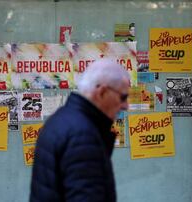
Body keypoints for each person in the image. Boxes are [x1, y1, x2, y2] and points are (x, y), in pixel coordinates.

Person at [30, 59, 130, 202]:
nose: (126, 106)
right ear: (102, 92)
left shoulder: (61, 120)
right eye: (123, 97)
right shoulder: (83, 135)